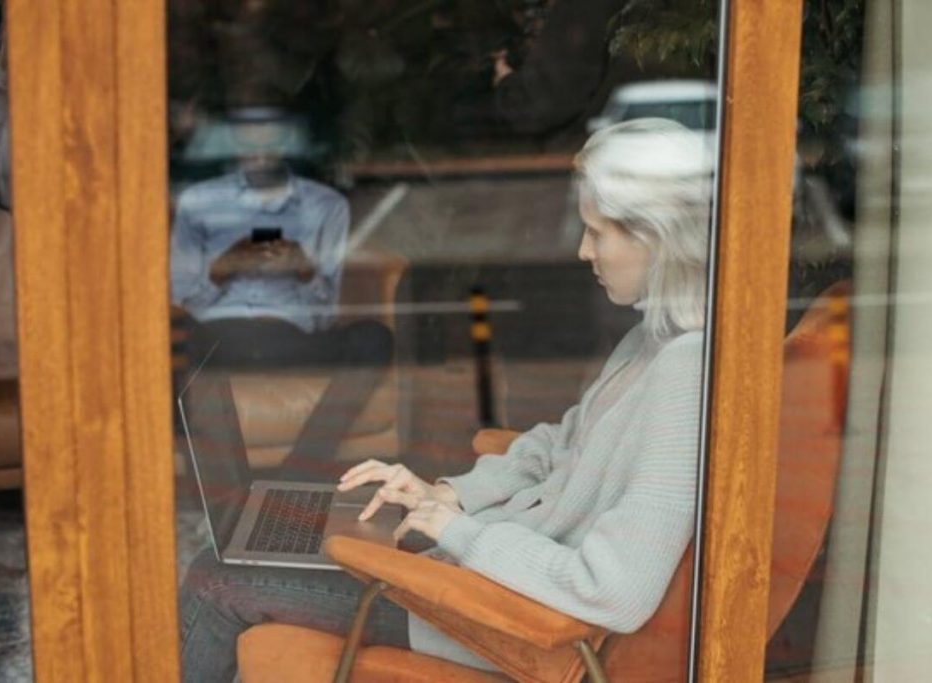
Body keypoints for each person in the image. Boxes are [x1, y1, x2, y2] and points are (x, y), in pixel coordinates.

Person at [179, 118, 713, 679]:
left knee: (215, 580)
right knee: (257, 548)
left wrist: (459, 531)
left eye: (597, 232)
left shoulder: (682, 372)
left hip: (494, 617)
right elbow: (559, 447)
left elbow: (617, 590)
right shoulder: (649, 342)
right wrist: (449, 495)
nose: (583, 251)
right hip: (485, 574)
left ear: (657, 235)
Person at [170, 106, 393, 481]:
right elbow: (177, 299)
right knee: (180, 348)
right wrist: (222, 269)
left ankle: (298, 475)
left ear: (290, 139)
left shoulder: (326, 205)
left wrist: (304, 270)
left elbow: (327, 314)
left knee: (375, 338)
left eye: (270, 132)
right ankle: (233, 500)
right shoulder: (199, 201)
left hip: (292, 338)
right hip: (220, 337)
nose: (259, 144)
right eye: (248, 132)